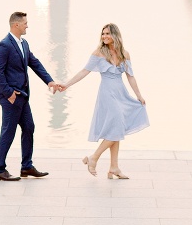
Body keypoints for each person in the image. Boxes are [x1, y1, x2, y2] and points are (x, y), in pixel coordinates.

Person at [61, 23, 148, 179]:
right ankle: (94, 157)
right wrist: (66, 85)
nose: (104, 36)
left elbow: (130, 76)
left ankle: (114, 167)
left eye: (107, 33)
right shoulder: (99, 53)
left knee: (116, 128)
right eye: (103, 34)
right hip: (107, 94)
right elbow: (84, 71)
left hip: (121, 93)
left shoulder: (125, 54)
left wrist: (138, 95)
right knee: (117, 126)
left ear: (115, 35)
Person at [0, 11, 61, 181]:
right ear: (16, 25)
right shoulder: (4, 45)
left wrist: (49, 81)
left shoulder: (24, 43)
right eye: (25, 23)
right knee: (8, 131)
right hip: (11, 96)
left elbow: (34, 63)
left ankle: (26, 167)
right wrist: (9, 93)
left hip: (22, 96)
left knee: (29, 127)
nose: (27, 25)